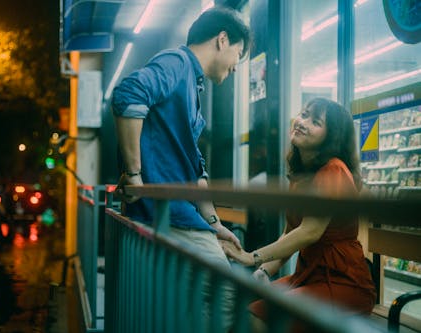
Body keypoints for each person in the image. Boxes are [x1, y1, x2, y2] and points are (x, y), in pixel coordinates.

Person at [111, 6, 251, 329]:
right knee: (228, 297)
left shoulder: (192, 84)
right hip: (170, 216)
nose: (235, 67)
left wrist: (214, 223)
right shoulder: (178, 63)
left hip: (177, 216)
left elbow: (194, 169)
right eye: (238, 54)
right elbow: (128, 94)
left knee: (184, 307)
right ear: (222, 39)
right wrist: (135, 174)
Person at [222, 98, 377, 326]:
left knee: (257, 317)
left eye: (315, 121)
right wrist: (264, 271)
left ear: (331, 136)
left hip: (343, 282)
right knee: (241, 299)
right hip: (308, 276)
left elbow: (309, 232)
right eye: (303, 115)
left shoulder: (333, 170)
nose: (302, 122)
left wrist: (251, 257)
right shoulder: (303, 174)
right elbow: (290, 233)